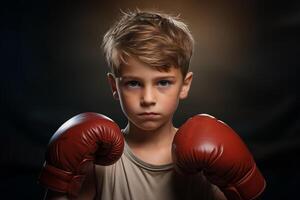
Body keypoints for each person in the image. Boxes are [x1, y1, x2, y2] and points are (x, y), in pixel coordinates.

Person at [39, 10, 266, 200]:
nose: (148, 98)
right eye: (134, 83)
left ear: (185, 85)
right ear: (114, 86)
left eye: (163, 82)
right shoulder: (98, 160)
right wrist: (59, 182)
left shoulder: (207, 160)